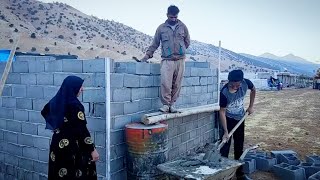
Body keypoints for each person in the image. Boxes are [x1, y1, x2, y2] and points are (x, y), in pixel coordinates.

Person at [41, 75, 99, 180]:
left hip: (57, 146)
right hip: (72, 148)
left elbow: (44, 111)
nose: (82, 89)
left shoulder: (57, 101)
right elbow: (82, 131)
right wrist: (92, 150)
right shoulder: (75, 105)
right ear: (73, 88)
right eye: (80, 86)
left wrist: (57, 127)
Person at [139, 5, 190, 113]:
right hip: (167, 60)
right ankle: (166, 105)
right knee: (166, 83)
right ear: (167, 15)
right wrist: (147, 56)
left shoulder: (183, 26)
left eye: (175, 17)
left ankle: (172, 104)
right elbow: (155, 43)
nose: (174, 19)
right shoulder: (161, 28)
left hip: (180, 60)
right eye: (171, 17)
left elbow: (187, 41)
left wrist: (181, 50)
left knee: (177, 84)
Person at [219, 70, 256, 180]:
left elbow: (253, 90)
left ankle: (239, 173)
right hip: (228, 119)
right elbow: (222, 112)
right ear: (229, 81)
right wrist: (226, 131)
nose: (235, 87)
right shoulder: (224, 93)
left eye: (238, 84)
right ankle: (224, 173)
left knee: (239, 145)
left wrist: (251, 106)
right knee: (225, 146)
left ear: (241, 81)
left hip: (240, 118)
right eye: (233, 84)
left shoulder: (246, 83)